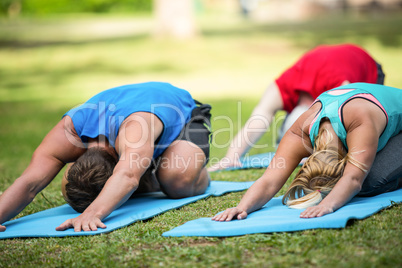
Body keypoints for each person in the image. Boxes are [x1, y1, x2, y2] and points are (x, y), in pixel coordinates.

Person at [0, 82, 212, 232]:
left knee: (177, 180)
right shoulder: (69, 133)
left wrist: (92, 213)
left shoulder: (133, 131)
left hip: (183, 113)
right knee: (76, 187)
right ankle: (146, 172)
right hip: (135, 133)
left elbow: (127, 175)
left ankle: (202, 174)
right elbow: (28, 182)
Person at [212, 83, 402, 221]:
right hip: (362, 111)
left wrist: (328, 204)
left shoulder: (360, 121)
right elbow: (269, 181)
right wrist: (241, 207)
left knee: (369, 181)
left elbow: (353, 180)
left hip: (383, 117)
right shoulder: (300, 131)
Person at [208, 44, 385, 171]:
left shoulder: (339, 87)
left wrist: (318, 155)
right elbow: (260, 116)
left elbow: (351, 125)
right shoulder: (286, 83)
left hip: (367, 67)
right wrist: (231, 156)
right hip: (326, 61)